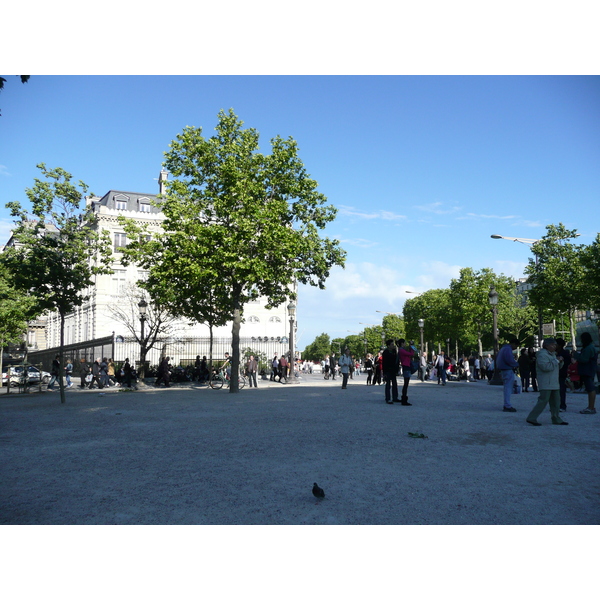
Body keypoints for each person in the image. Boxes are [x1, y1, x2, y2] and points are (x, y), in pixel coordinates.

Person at [526, 338, 568, 426]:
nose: (554, 346)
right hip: (546, 382)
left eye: (555, 345)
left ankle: (556, 418)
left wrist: (560, 362)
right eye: (552, 345)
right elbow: (545, 367)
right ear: (546, 346)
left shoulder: (553, 354)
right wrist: (556, 361)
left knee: (556, 402)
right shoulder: (542, 355)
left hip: (553, 382)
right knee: (543, 401)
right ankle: (532, 417)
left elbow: (556, 367)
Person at [575, 332, 598, 414]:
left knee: (590, 388)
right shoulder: (591, 347)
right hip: (589, 370)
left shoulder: (588, 348)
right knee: (590, 388)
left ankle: (591, 407)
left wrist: (576, 355)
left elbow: (584, 359)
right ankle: (591, 407)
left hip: (587, 370)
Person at [496, 337, 520, 412]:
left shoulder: (503, 348)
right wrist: (516, 364)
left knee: (507, 388)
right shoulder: (507, 349)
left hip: (503, 369)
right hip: (507, 369)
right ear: (513, 344)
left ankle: (507, 404)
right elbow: (509, 360)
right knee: (508, 388)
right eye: (516, 346)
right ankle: (507, 405)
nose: (515, 348)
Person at [555, 338, 571, 411]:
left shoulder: (564, 353)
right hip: (557, 373)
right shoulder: (563, 353)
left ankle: (562, 405)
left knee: (561, 390)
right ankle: (557, 405)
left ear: (560, 345)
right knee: (556, 390)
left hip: (561, 373)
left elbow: (567, 363)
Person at [397, 339, 413, 405]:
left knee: (406, 384)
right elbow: (411, 354)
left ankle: (404, 398)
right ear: (402, 343)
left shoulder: (401, 350)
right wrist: (411, 346)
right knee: (406, 384)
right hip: (406, 366)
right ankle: (404, 399)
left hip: (406, 366)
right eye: (404, 343)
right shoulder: (402, 350)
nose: (405, 344)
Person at [382, 339, 399, 404]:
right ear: (388, 345)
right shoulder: (386, 352)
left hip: (393, 370)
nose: (393, 345)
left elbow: (396, 361)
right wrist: (384, 372)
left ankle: (395, 397)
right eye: (392, 344)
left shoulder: (394, 351)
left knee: (395, 384)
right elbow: (384, 363)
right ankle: (388, 398)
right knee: (388, 384)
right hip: (388, 370)